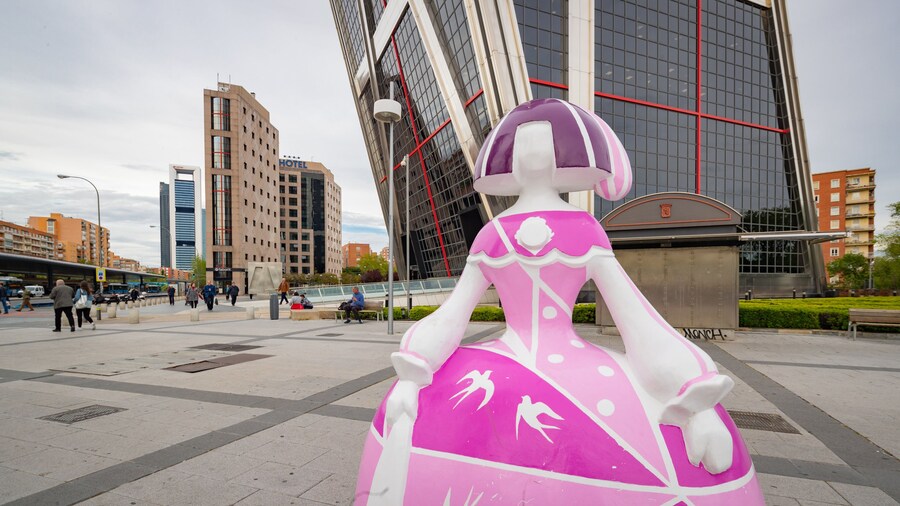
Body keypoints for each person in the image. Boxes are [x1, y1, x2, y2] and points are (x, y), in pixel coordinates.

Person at [356, 99, 760, 503]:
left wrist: (692, 395)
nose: (534, 151)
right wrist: (413, 375)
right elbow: (453, 314)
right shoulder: (506, 233)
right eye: (525, 142)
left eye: (544, 142)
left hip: (524, 368)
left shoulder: (569, 231)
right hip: (559, 371)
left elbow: (635, 316)